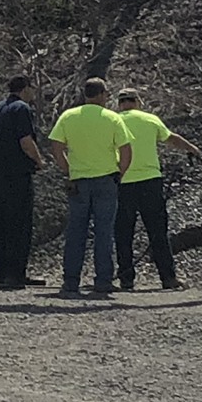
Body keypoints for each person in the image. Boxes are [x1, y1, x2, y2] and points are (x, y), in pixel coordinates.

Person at [48, 77, 133, 297]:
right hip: (106, 180)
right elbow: (126, 151)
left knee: (76, 232)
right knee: (104, 233)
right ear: (102, 94)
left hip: (78, 181)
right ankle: (103, 280)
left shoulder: (68, 117)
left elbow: (56, 147)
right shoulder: (112, 118)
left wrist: (67, 170)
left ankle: (70, 281)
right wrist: (120, 173)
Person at [112, 88, 202, 292]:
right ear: (138, 101)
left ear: (120, 104)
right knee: (157, 231)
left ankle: (126, 278)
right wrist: (192, 149)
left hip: (122, 180)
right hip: (150, 181)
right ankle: (168, 277)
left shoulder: (113, 121)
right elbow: (171, 138)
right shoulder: (150, 120)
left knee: (123, 232)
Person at [0, 76, 46, 289]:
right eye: (32, 88)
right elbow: (25, 141)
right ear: (25, 88)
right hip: (17, 176)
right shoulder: (21, 109)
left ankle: (2, 273)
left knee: (1, 225)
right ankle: (17, 273)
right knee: (20, 226)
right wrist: (38, 160)